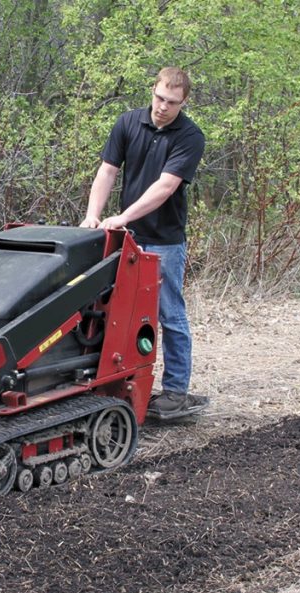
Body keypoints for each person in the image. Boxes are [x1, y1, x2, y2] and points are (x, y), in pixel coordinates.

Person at [81, 66, 208, 421]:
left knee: (170, 314)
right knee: (112, 311)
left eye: (172, 102)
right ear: (152, 90)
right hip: (125, 238)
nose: (163, 107)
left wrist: (123, 216)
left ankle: (176, 392)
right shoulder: (128, 122)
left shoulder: (190, 136)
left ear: (184, 102)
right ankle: (114, 384)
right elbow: (107, 170)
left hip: (164, 240)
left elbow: (165, 187)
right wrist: (93, 215)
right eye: (159, 98)